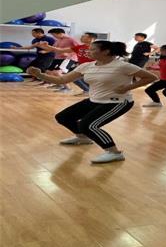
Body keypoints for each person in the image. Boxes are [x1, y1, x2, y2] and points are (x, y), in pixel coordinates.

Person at [26, 41, 157, 164]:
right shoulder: (86, 66)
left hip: (118, 102)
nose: (88, 52)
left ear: (105, 51)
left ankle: (114, 153)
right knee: (63, 117)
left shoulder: (123, 66)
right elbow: (62, 80)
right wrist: (40, 75)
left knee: (88, 125)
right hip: (94, 100)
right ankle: (83, 137)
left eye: (92, 49)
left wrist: (127, 87)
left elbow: (151, 77)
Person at [45, 28, 79, 93]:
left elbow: (79, 49)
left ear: (60, 33)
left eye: (54, 35)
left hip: (69, 58)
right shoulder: (58, 40)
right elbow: (53, 48)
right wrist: (45, 46)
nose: (54, 36)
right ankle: (59, 85)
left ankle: (68, 88)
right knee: (49, 72)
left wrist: (69, 54)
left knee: (57, 72)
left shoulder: (71, 39)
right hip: (58, 58)